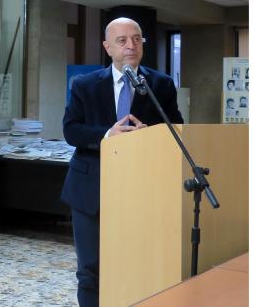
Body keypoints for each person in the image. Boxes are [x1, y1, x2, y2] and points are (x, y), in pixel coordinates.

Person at [61, 17, 183, 307]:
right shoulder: (85, 84)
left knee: (136, 266)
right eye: (122, 40)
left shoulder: (161, 85)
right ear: (107, 47)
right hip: (92, 189)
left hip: (141, 190)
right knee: (90, 270)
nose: (131, 45)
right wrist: (107, 135)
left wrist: (149, 135)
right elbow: (71, 130)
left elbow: (176, 130)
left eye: (137, 39)